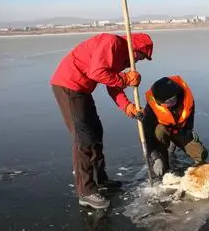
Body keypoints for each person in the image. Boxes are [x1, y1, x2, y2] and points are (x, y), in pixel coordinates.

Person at [51, 33, 153, 209]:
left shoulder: (120, 55)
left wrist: (128, 107)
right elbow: (97, 72)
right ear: (133, 48)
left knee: (96, 131)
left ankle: (100, 179)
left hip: (82, 90)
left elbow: (113, 86)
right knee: (83, 138)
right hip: (68, 85)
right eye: (139, 56)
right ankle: (86, 191)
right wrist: (125, 79)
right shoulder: (111, 43)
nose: (136, 62)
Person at [139, 75, 207, 178]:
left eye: (172, 100)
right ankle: (163, 159)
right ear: (159, 102)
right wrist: (155, 158)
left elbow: (189, 121)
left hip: (179, 131)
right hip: (161, 135)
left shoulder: (186, 99)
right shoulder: (151, 109)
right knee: (159, 131)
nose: (170, 104)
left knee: (201, 155)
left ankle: (173, 144)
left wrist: (189, 132)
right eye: (166, 103)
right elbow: (147, 136)